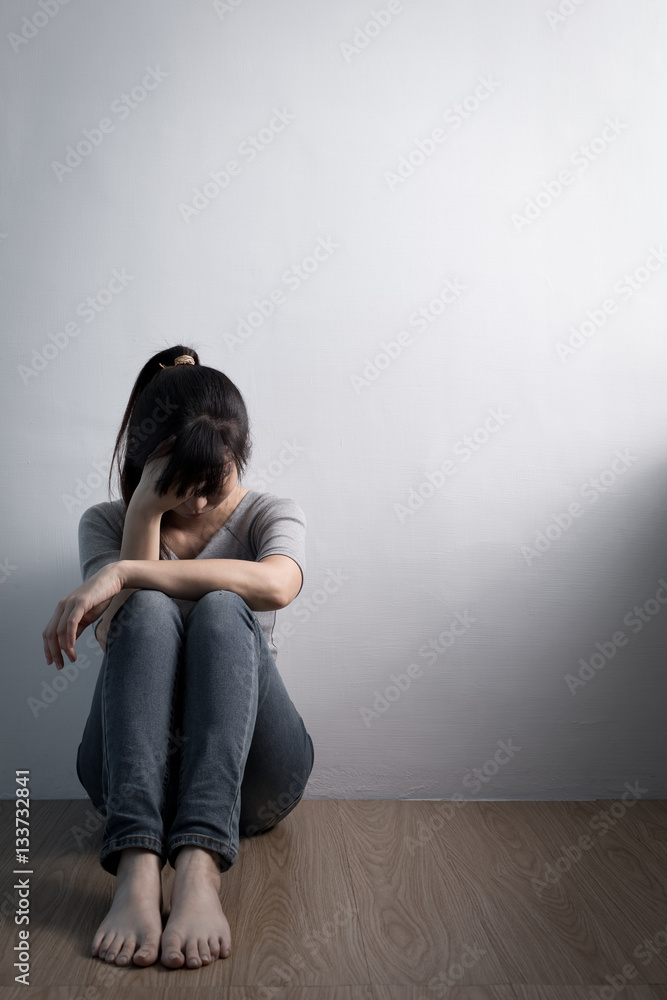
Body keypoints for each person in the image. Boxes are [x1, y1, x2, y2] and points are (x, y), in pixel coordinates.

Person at [41, 346, 314, 970]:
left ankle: (199, 867)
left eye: (211, 482)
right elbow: (117, 638)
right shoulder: (104, 520)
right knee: (142, 611)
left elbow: (277, 586)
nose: (195, 505)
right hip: (134, 782)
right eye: (178, 484)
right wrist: (142, 511)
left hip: (253, 779)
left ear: (236, 458)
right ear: (149, 464)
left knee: (222, 605)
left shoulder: (268, 511)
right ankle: (136, 868)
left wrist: (127, 571)